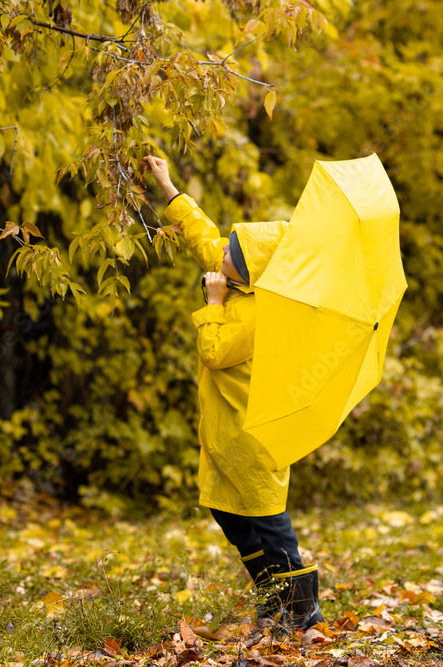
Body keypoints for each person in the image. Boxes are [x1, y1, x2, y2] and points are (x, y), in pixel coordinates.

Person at [142, 155, 324, 631]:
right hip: (226, 432)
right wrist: (168, 186)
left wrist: (213, 304)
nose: (220, 257)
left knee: (268, 522)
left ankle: (303, 607)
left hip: (253, 434)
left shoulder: (256, 311)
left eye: (230, 256)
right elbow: (207, 241)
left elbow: (215, 352)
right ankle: (273, 595)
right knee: (229, 514)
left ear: (246, 272)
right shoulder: (242, 280)